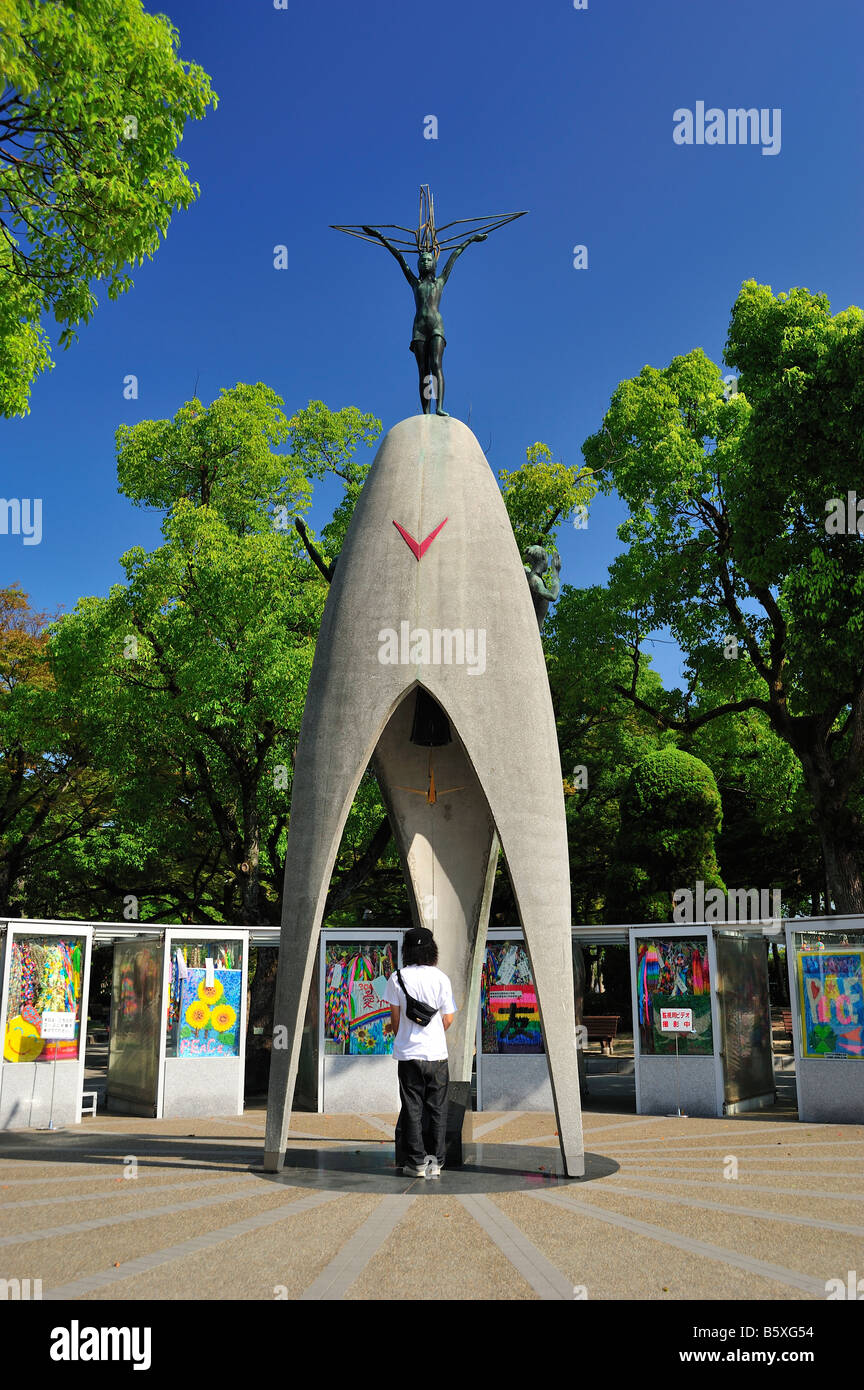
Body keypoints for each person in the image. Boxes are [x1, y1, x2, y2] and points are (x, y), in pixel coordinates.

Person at [384, 926, 457, 1178]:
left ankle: (415, 1163)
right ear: (431, 949)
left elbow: (394, 1020)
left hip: (408, 1054)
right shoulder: (441, 978)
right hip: (436, 1054)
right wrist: (434, 1032)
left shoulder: (397, 978)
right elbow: (448, 1018)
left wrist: (405, 1037)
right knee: (437, 1108)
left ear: (407, 950)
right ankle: (436, 1162)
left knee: (412, 1107)